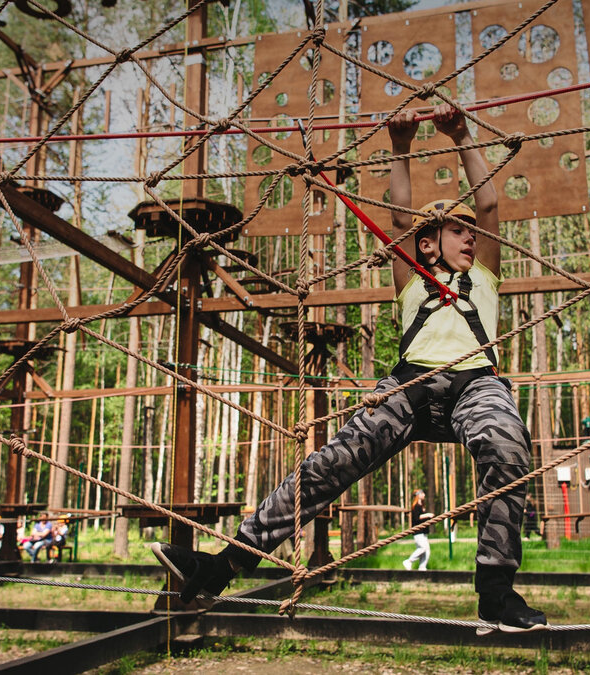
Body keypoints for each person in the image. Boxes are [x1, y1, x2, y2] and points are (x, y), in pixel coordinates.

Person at [152, 103, 546, 635]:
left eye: (472, 232)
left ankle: (496, 593)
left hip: (476, 384)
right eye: (459, 231)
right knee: (327, 466)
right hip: (409, 385)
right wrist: (400, 147)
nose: (471, 237)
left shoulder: (486, 277)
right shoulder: (411, 278)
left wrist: (461, 135)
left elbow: (491, 202)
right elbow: (402, 218)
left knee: (508, 446)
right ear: (429, 244)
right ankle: (221, 567)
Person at [403, 489, 433, 571]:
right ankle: (409, 561)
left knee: (427, 551)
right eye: (422, 493)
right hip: (418, 532)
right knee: (422, 548)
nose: (424, 495)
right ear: (418, 495)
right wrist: (427, 515)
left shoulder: (422, 506)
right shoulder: (415, 506)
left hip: (424, 532)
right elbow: (417, 517)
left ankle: (422, 567)